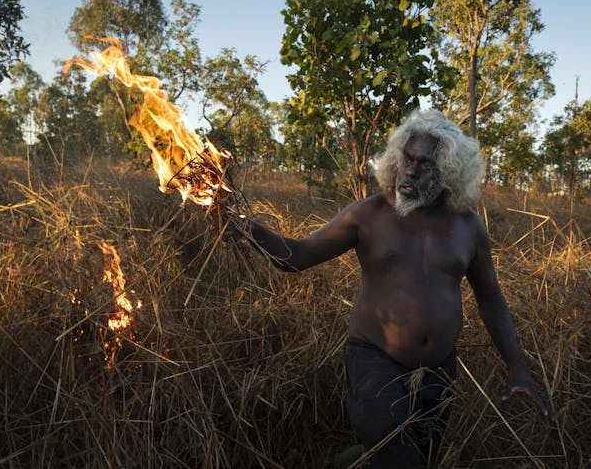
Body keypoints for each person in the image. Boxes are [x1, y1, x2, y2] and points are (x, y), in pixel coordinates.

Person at [227, 109, 552, 467]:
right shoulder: (368, 215)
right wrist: (249, 228)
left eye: (425, 164)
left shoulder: (468, 227)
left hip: (439, 372)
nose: (410, 171)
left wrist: (517, 368)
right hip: (375, 363)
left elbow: (490, 299)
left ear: (448, 173)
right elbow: (297, 256)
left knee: (423, 458)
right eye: (407, 159)